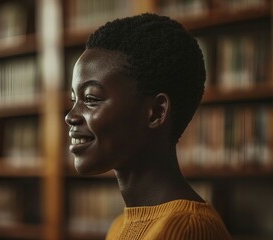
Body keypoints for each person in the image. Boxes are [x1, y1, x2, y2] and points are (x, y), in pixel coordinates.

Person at [65, 13, 231, 240]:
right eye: (74, 99)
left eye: (91, 99)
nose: (70, 116)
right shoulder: (120, 225)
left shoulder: (188, 228)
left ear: (156, 112)